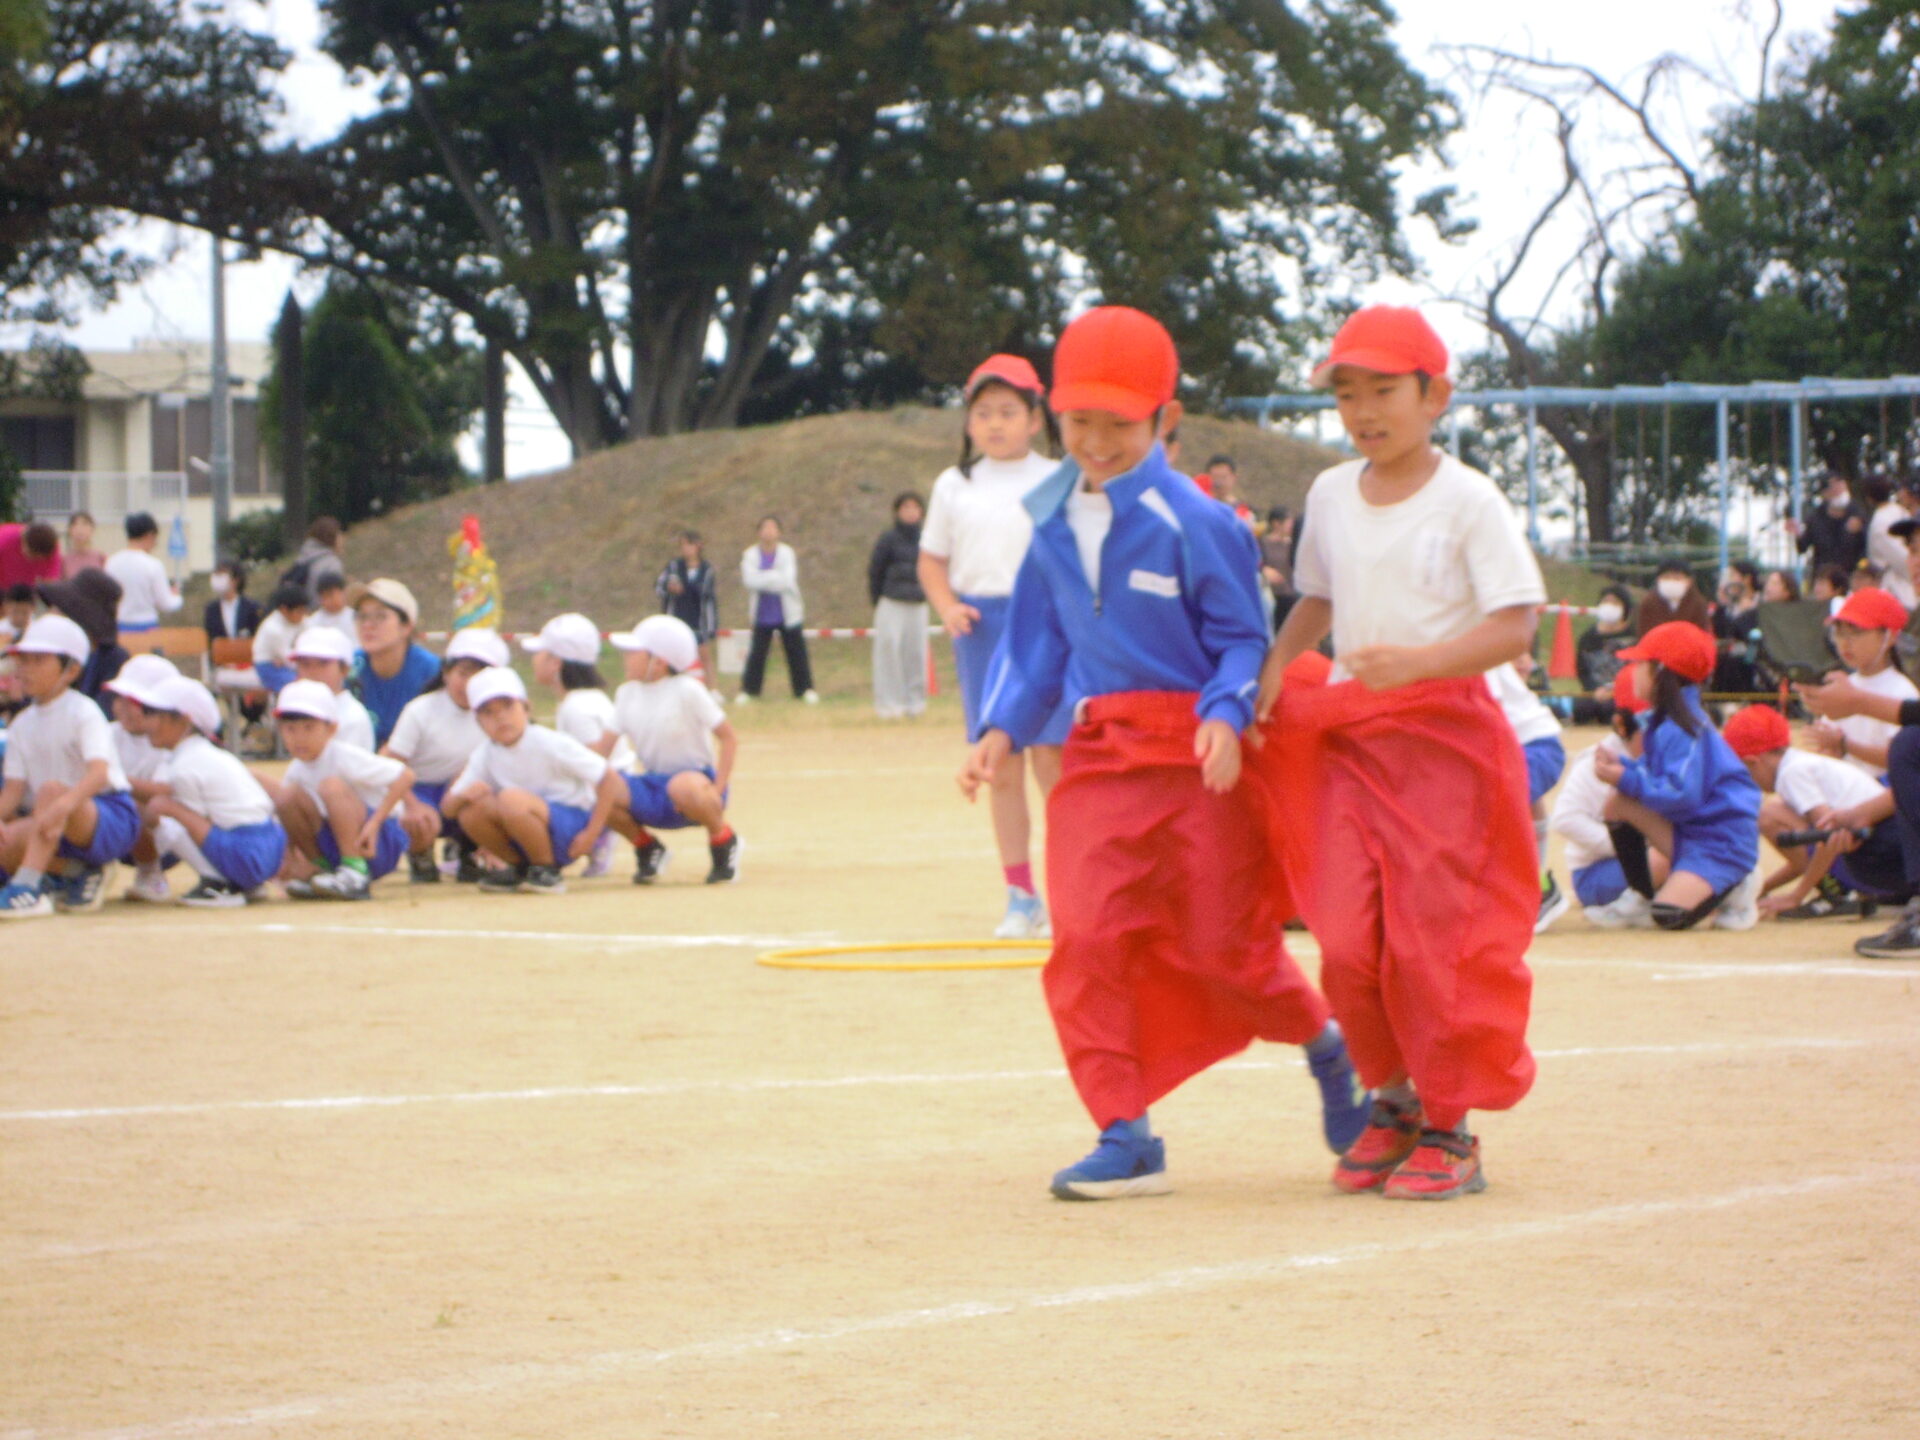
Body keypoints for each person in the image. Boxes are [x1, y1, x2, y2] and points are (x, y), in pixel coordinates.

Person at [960, 306, 1366, 1202]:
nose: (1096, 441)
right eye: (1078, 422)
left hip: (1202, 761)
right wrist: (998, 731)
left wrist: (1224, 712)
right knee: (1088, 938)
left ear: (1164, 418)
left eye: (1120, 422)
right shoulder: (1050, 520)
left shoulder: (1201, 522)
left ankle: (1330, 1053)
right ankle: (1124, 1130)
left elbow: (1238, 638)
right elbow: (1036, 649)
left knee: (1229, 949)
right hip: (1101, 756)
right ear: (1053, 417)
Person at [1253, 303, 1544, 1202]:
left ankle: (1453, 1125)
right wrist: (1269, 676)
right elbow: (1316, 600)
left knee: (1433, 944)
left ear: (1436, 396)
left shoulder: (1469, 499)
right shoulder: (1332, 493)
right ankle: (1392, 1099)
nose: (1365, 411)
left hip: (1447, 741)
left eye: (1385, 390)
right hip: (1350, 736)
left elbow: (1516, 623)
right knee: (1344, 938)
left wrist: (1416, 665)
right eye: (1348, 394)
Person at [918, 354, 1070, 939]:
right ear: (968, 424)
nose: (996, 423)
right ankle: (1020, 895)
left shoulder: (1059, 476)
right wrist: (947, 606)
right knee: (998, 765)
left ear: (1036, 418)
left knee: (1054, 762)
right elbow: (933, 560)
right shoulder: (953, 484)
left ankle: (1069, 892)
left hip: (1049, 629)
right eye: (983, 413)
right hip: (984, 629)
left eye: (1009, 411)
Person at [1591, 621, 1762, 931]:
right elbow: (1658, 778)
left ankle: (1738, 882)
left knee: (1670, 916)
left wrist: (1624, 777)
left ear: (1660, 671)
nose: (1633, 671)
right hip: (1694, 834)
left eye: (1640, 663)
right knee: (1618, 801)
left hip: (1721, 843)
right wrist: (1624, 767)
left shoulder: (1686, 727)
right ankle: (1641, 895)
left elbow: (1680, 796)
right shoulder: (1664, 721)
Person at [443, 666, 627, 895]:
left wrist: (591, 834)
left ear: (526, 708)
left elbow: (608, 778)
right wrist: (463, 796)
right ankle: (520, 868)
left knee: (511, 798)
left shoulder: (549, 742)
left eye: (508, 707)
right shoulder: (485, 753)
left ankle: (546, 869)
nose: (500, 717)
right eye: (488, 712)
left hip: (568, 827)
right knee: (471, 811)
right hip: (525, 825)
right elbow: (449, 809)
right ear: (478, 722)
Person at [0, 615, 139, 918]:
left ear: (71, 670)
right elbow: (13, 789)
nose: (26, 669)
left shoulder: (83, 711)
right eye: (22, 661)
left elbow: (99, 773)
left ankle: (27, 887)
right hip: (50, 820)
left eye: (39, 660)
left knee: (50, 790)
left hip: (107, 816)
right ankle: (76, 872)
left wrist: (63, 805)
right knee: (10, 834)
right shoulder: (22, 724)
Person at [1722, 703, 1903, 921]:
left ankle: (1839, 893)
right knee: (1778, 813)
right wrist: (1758, 891)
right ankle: (1843, 889)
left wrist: (1796, 896)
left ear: (1753, 762)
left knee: (1770, 816)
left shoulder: (1792, 774)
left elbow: (1828, 837)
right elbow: (1802, 863)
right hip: (1891, 842)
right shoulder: (1800, 762)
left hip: (1881, 851)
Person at [134, 673, 288, 907]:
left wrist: (166, 806)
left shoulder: (184, 766)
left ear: (183, 720)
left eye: (152, 714)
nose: (146, 723)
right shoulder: (209, 754)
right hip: (270, 846)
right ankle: (246, 884)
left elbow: (195, 823)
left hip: (247, 854)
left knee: (165, 815)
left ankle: (219, 884)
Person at [609, 613, 742, 884]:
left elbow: (728, 738)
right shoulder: (626, 694)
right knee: (602, 786)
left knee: (683, 786)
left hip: (695, 785)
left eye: (634, 653)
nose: (626, 658)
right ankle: (648, 849)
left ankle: (723, 840)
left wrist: (716, 790)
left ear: (658, 661)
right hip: (653, 784)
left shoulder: (688, 689)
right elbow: (601, 749)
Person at [273, 679, 414, 902]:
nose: (299, 738)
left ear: (331, 729)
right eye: (290, 729)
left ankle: (355, 872)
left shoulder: (343, 755)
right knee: (286, 797)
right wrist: (288, 858)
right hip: (335, 839)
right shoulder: (296, 770)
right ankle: (321, 871)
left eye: (309, 728)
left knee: (332, 787)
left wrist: (375, 824)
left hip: (377, 841)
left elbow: (404, 776)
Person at [384, 627, 505, 884]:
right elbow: (391, 763)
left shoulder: (499, 717)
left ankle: (470, 852)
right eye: (462, 672)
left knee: (484, 793)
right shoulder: (420, 710)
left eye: (479, 674)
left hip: (464, 791)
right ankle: (420, 855)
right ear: (447, 672)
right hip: (420, 790)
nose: (468, 682)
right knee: (421, 819)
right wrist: (411, 803)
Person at [523, 611, 631, 877]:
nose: (534, 659)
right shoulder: (585, 699)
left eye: (541, 653)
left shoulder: (577, 707)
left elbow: (594, 765)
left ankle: (601, 836)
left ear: (556, 663)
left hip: (609, 792)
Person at [1551, 666, 1657, 928]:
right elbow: (1565, 818)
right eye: (1649, 725)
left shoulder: (1668, 752)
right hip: (1598, 873)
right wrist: (1631, 851)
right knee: (1672, 863)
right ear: (1622, 726)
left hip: (1652, 859)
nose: (1661, 733)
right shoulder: (1596, 762)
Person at [1800, 587, 1916, 777]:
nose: (1845, 643)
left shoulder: (1902, 691)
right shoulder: (1843, 685)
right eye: (1839, 633)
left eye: (1856, 632)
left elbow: (1902, 757)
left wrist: (1845, 745)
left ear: (1889, 637)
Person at [1488, 658, 1568, 932]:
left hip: (1532, 744)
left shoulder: (1460, 645)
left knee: (1492, 805)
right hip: (1524, 742)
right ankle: (1535, 888)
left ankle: (1537, 892)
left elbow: (1487, 712)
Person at [101, 653, 181, 903]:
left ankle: (152, 872)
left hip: (166, 839)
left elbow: (162, 792)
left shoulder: (169, 744)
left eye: (134, 702)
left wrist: (113, 778)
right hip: (115, 832)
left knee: (130, 805)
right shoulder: (108, 734)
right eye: (120, 700)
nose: (123, 708)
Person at [350, 578, 439, 747]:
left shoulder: (431, 672)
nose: (368, 625)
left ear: (406, 626)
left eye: (380, 616)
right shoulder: (350, 668)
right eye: (362, 616)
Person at [737, 517, 817, 703]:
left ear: (779, 532)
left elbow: (786, 581)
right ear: (758, 532)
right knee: (757, 654)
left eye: (773, 527)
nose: (769, 531)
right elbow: (750, 581)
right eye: (765, 527)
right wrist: (773, 577)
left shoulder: (786, 553)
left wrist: (763, 579)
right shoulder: (750, 554)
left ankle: (805, 690)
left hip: (787, 611)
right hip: (762, 612)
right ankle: (749, 691)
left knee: (796, 652)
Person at [868, 492, 929, 719]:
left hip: (917, 603)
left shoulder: (928, 539)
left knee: (915, 654)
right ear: (897, 512)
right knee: (889, 653)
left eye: (915, 507)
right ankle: (889, 706)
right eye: (905, 507)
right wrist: (878, 599)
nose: (910, 512)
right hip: (891, 601)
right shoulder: (888, 539)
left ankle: (915, 704)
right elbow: (875, 572)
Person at [37, 566, 127, 715]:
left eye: (60, 609)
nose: (51, 614)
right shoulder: (47, 654)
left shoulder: (112, 660)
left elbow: (101, 715)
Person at [288, 626, 377, 751]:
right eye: (305, 664)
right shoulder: (299, 708)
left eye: (322, 663)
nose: (313, 671)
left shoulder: (352, 717)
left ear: (345, 669)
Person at [655, 530, 720, 686]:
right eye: (682, 545)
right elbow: (658, 587)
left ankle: (713, 689)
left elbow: (709, 597)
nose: (686, 549)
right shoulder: (673, 566)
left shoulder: (707, 569)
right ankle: (669, 686)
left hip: (698, 619)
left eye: (689, 544)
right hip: (676, 619)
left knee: (705, 657)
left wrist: (711, 626)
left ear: (698, 546)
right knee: (672, 657)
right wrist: (669, 588)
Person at [104, 512, 182, 633]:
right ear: (150, 535)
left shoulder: (111, 563)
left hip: (119, 627)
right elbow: (165, 604)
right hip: (147, 628)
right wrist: (177, 597)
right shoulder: (154, 565)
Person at [1573, 583, 1638, 723]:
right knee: (1581, 708)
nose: (1609, 605)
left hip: (1624, 693)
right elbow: (1582, 671)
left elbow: (1637, 669)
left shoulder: (1635, 636)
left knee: (1611, 710)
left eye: (1615, 602)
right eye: (1606, 601)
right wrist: (1594, 689)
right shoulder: (1588, 638)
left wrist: (1615, 690)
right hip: (1596, 692)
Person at [1792, 472, 1869, 579]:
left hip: (1851, 575)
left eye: (1841, 486)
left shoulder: (1858, 514)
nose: (1839, 491)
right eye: (1834, 488)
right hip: (1824, 576)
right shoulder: (1816, 517)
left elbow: (1868, 546)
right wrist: (1797, 534)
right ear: (1825, 494)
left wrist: (1860, 531)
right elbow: (1802, 547)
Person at [1712, 561, 1763, 695]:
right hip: (1727, 660)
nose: (1729, 580)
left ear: (1747, 579)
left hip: (1753, 654)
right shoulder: (1726, 608)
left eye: (1733, 575)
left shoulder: (1761, 604)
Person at [1865, 476, 1917, 607]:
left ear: (1869, 498)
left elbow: (1901, 559)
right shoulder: (1900, 510)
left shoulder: (1880, 522)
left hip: (1900, 587)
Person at [251, 585, 310, 695]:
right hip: (268, 666)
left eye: (304, 611)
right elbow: (289, 659)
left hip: (286, 663)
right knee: (298, 686)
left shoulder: (302, 621)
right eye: (299, 611)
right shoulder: (273, 629)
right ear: (284, 610)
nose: (302, 615)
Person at [1634, 559, 1711, 637]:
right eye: (1666, 578)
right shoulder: (1648, 603)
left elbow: (1703, 634)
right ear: (1658, 580)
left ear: (1689, 581)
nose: (1671, 581)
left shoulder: (1698, 603)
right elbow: (1643, 635)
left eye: (1677, 578)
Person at [285, 516, 347, 605]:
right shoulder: (331, 563)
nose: (342, 538)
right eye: (339, 533)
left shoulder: (303, 557)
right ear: (332, 537)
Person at [203, 561, 262, 642]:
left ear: (236, 580)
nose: (217, 579)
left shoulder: (252, 607)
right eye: (216, 575)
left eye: (222, 575)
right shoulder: (211, 609)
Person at [0, 521, 60, 590]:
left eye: (38, 559)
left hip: (26, 590)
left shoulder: (50, 550)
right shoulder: (4, 538)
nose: (32, 560)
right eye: (31, 554)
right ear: (24, 540)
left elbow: (50, 583)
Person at [305, 574, 359, 646]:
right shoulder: (313, 622)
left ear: (342, 592)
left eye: (330, 595)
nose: (328, 601)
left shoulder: (356, 618)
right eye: (324, 597)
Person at [61, 513, 105, 577]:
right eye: (75, 525)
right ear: (69, 530)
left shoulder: (101, 558)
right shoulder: (64, 561)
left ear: (92, 529)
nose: (79, 529)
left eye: (84, 524)